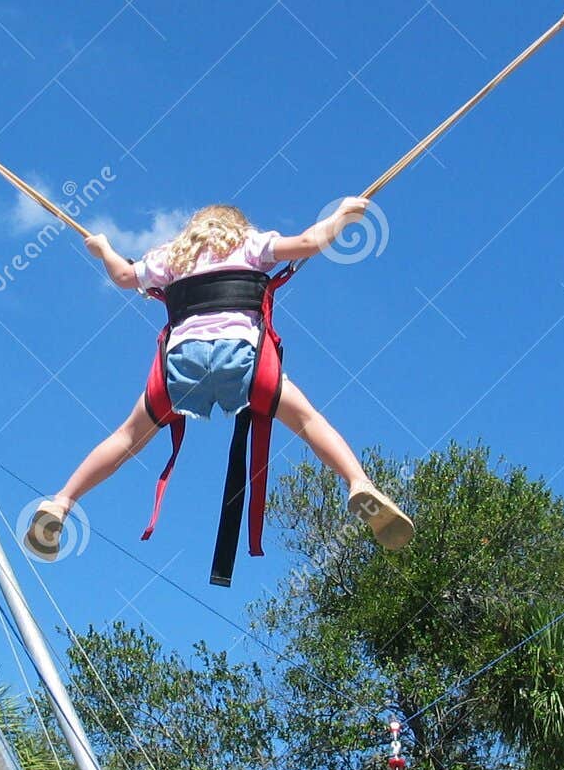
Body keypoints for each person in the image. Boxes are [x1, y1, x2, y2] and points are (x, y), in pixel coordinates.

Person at [25, 199, 414, 561]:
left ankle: (62, 501)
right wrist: (342, 216)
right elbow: (311, 242)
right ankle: (358, 483)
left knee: (126, 438)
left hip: (181, 366)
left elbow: (125, 276)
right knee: (308, 421)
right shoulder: (252, 244)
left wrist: (103, 248)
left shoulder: (170, 257)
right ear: (237, 226)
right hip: (243, 361)